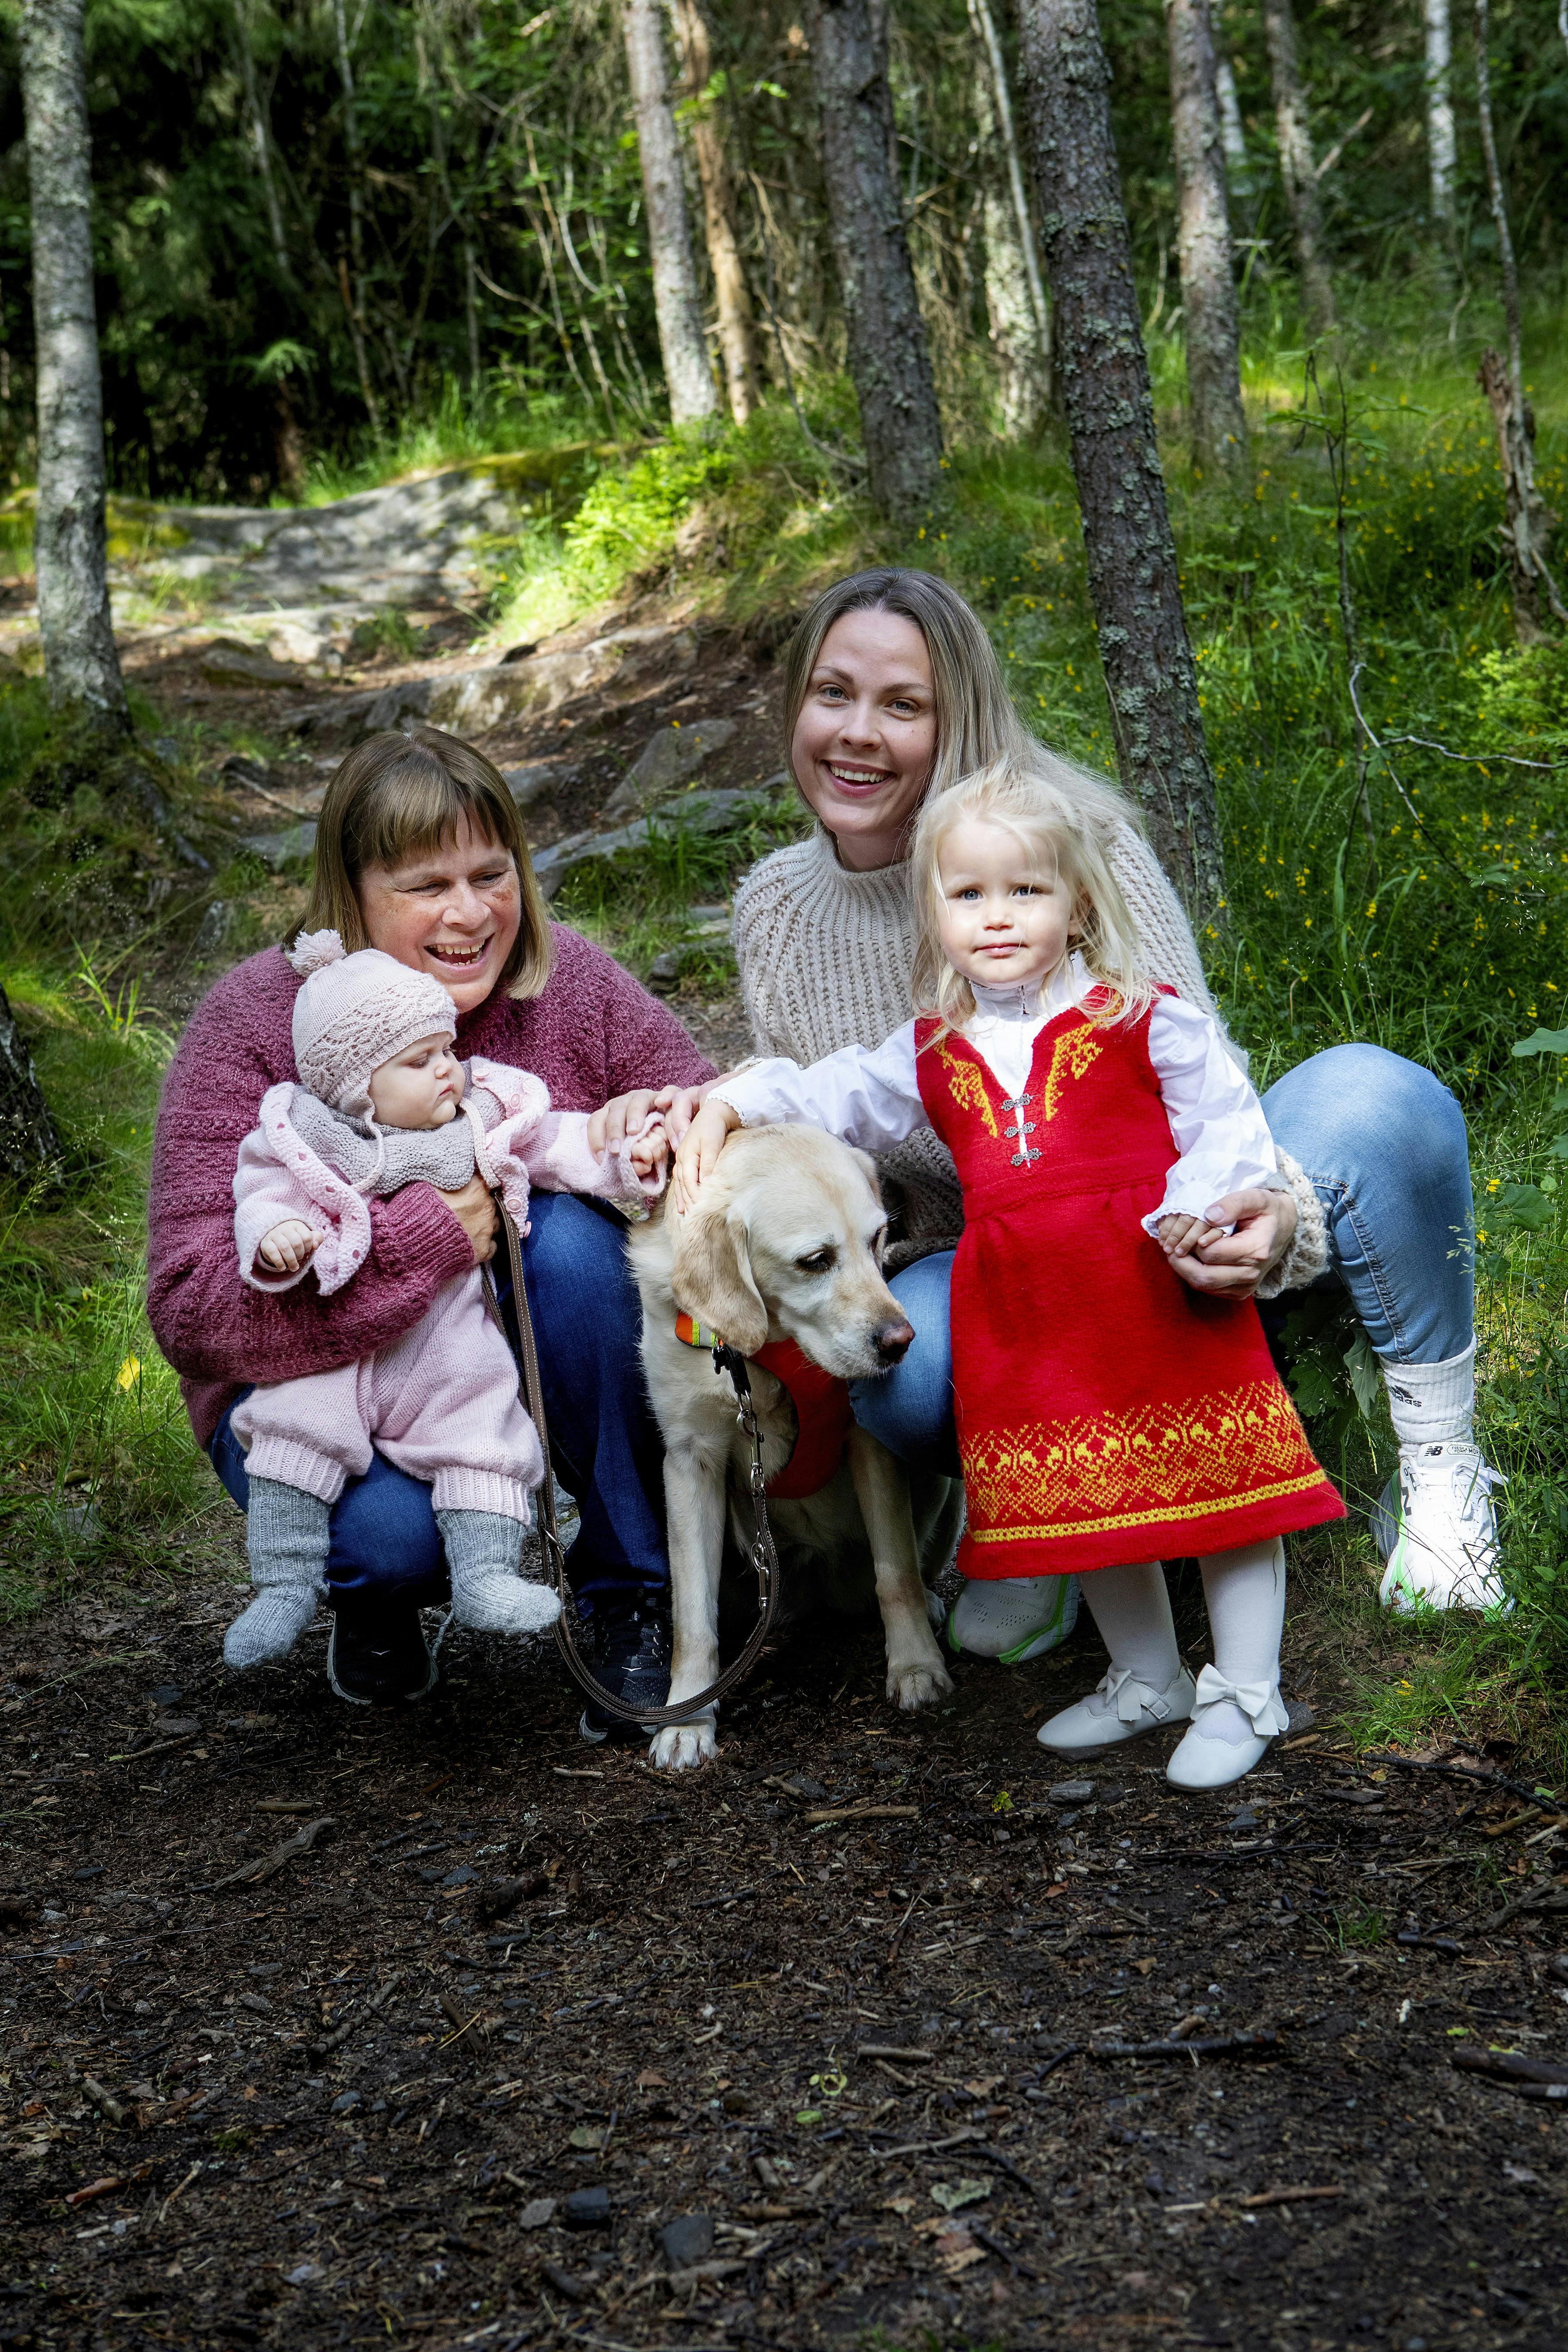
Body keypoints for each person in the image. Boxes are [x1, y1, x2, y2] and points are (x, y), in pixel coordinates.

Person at [691, 569, 1500, 1630]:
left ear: (957, 716)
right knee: (907, 1367)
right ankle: (1044, 1507)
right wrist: (722, 1103)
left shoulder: (1072, 838)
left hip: (1164, 1233)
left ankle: (1440, 1468)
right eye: (831, 693)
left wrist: (1269, 1208)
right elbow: (822, 1129)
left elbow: (1196, 1075)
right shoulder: (775, 908)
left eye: (902, 704)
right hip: (1002, 1282)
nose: (856, 733)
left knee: (1376, 1095)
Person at [676, 754, 1347, 1788]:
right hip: (1034, 1319)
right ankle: (1147, 1676)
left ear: (1077, 904)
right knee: (1085, 1499)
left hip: (1154, 1298)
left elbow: (1226, 1122)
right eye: (966, 894)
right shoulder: (935, 1050)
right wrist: (730, 1099)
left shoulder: (1141, 1015)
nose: (996, 916)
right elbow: (824, 1092)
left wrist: (1200, 1207)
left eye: (1025, 889)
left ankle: (1245, 1689)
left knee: (1225, 1491)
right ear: (933, 911)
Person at [148, 726, 713, 1719]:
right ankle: (374, 1600)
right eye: (425, 886)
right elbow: (189, 1311)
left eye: (491, 875)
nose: (470, 913)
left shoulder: (563, 984)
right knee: (389, 1546)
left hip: (481, 1372)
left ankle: (631, 1590)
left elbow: (710, 1107)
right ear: (352, 892)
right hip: (316, 1394)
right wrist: (421, 1245)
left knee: (575, 1250)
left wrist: (657, 1125)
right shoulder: (254, 1022)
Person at [223, 929, 666, 1677]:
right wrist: (275, 1237)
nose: (446, 1071)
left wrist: (627, 1156)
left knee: (483, 1436)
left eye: (446, 1051)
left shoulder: (479, 1125)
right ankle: (283, 1586)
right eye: (418, 1061)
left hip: (447, 1343)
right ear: (357, 1085)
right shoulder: (308, 1138)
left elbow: (559, 1142)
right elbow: (261, 1195)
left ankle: (488, 1576)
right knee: (295, 1431)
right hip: (341, 1349)